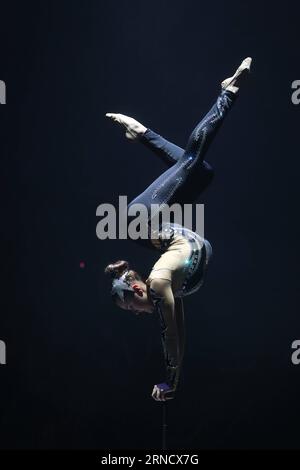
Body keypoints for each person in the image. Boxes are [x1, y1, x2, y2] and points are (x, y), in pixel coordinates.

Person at [104, 57, 252, 402]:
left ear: (137, 289)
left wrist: (170, 378)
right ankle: (141, 134)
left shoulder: (158, 282)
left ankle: (228, 92)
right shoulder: (170, 286)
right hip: (166, 233)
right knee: (202, 172)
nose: (136, 315)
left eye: (130, 309)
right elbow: (180, 333)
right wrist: (174, 382)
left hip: (136, 220)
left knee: (191, 161)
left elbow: (169, 334)